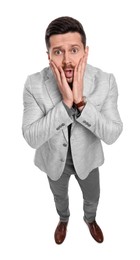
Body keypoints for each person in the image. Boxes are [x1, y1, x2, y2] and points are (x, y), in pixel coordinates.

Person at [22, 16, 123, 245]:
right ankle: (63, 219)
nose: (67, 60)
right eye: (58, 52)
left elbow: (113, 134)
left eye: (74, 50)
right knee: (59, 197)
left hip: (88, 159)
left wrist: (81, 103)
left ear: (85, 52)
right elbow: (31, 137)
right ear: (49, 55)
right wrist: (66, 103)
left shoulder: (105, 81)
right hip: (53, 161)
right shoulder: (33, 84)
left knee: (92, 197)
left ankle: (91, 219)